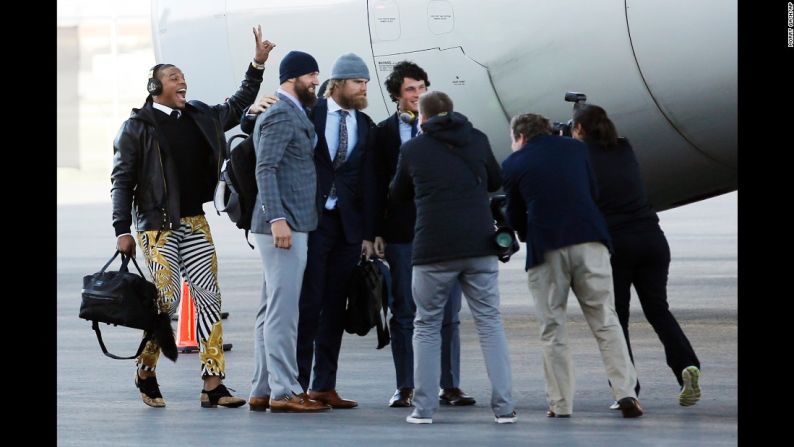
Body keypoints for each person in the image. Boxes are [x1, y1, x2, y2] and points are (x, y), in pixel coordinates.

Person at [111, 25, 273, 409]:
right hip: (156, 228)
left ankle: (213, 384)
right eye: (173, 78)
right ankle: (147, 369)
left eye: (183, 77)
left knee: (209, 298)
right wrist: (122, 229)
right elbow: (121, 181)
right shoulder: (137, 128)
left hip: (195, 221)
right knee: (165, 300)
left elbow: (236, 104)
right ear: (155, 87)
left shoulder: (200, 115)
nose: (182, 82)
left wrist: (257, 65)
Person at [501, 113, 643, 418]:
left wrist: (527, 233)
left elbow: (513, 216)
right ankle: (626, 392)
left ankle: (561, 403)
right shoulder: (577, 149)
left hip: (547, 247)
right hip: (590, 239)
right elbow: (594, 191)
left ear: (520, 137)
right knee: (605, 319)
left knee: (553, 327)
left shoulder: (514, 163)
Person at [390, 91, 515, 424]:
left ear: (423, 116)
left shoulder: (413, 148)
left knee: (427, 326)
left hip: (433, 250)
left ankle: (424, 409)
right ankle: (504, 409)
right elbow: (495, 180)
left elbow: (397, 193)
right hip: (479, 246)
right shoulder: (477, 139)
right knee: (490, 324)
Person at [571, 104, 701, 407]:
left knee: (617, 318)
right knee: (658, 310)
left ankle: (627, 388)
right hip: (653, 240)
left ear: (578, 130)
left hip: (618, 246)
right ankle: (686, 366)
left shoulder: (579, 156)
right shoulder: (625, 148)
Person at [374, 61, 474, 408]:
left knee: (448, 312)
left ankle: (450, 385)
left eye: (421, 88)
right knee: (404, 310)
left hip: (444, 231)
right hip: (402, 234)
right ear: (397, 97)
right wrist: (375, 232)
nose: (417, 95)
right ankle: (406, 386)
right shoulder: (383, 134)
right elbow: (375, 188)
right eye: (410, 90)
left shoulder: (451, 132)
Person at [247, 50, 331, 413]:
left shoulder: (291, 110)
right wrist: (278, 219)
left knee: (270, 311)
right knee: (284, 313)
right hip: (284, 226)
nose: (316, 81)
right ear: (293, 77)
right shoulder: (281, 113)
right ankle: (284, 391)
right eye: (311, 75)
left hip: (288, 223)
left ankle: (262, 389)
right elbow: (265, 169)